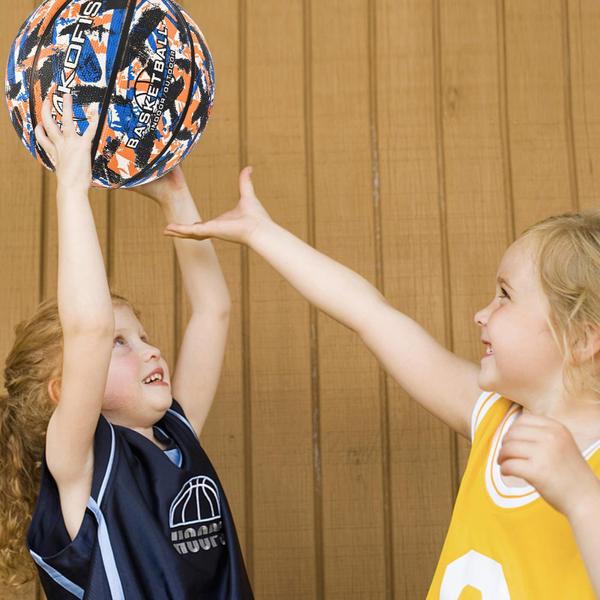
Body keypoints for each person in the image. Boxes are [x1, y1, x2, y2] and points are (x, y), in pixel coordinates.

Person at [162, 168, 600, 598]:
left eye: (505, 296)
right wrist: (262, 233)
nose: (481, 313)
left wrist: (582, 497)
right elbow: (369, 314)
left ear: (580, 337)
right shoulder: (492, 417)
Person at [0, 93, 253, 599]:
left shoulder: (177, 432)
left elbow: (212, 310)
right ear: (63, 389)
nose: (149, 350)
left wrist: (175, 198)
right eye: (122, 343)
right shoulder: (78, 465)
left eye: (143, 336)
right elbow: (88, 330)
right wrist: (71, 190)